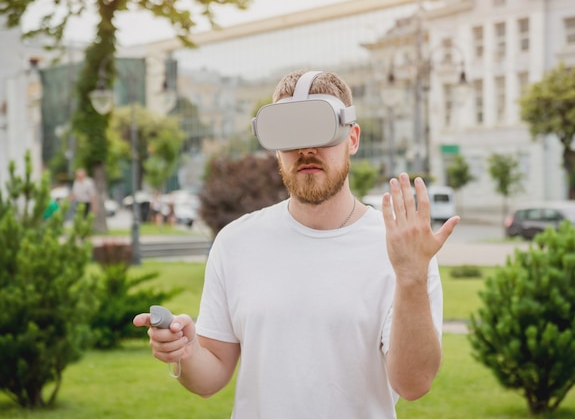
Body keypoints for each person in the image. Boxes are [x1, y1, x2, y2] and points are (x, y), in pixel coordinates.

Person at [134, 70, 460, 418]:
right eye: (289, 133)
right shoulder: (236, 242)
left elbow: (414, 384)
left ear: (352, 138)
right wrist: (186, 349)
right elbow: (211, 375)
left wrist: (411, 278)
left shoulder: (400, 250)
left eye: (320, 130)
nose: (305, 149)